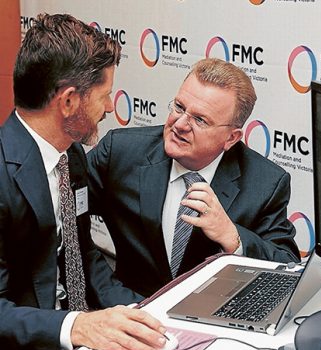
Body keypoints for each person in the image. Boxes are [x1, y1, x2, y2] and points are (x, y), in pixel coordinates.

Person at [0, 14, 168, 350]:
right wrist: (75, 327)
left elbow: (82, 251)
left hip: (77, 340)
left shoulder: (70, 156)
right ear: (69, 102)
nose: (110, 108)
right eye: (105, 96)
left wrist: (142, 313)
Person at [87, 57, 300, 298]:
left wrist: (232, 236)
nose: (179, 124)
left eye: (199, 120)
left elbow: (287, 269)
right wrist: (111, 295)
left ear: (231, 137)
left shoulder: (265, 183)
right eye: (179, 107)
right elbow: (64, 218)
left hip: (214, 322)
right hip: (130, 309)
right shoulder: (121, 153)